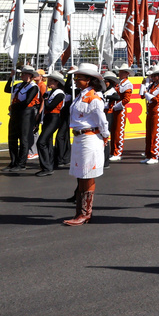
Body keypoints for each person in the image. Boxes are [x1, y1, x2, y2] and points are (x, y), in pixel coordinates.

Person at [64, 63, 109, 226]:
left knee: (87, 175)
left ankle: (85, 213)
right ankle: (80, 212)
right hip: (79, 138)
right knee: (81, 175)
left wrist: (105, 136)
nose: (76, 80)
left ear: (89, 80)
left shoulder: (94, 98)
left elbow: (102, 121)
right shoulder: (80, 95)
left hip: (90, 138)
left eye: (79, 78)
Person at [5, 65, 40, 171]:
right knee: (12, 138)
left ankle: (21, 163)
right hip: (15, 113)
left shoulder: (33, 87)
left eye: (24, 74)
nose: (22, 75)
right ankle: (13, 162)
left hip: (26, 114)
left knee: (24, 138)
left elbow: (27, 101)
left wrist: (14, 106)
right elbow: (7, 89)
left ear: (30, 75)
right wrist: (11, 77)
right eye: (22, 73)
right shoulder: (18, 85)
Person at [36, 72, 69, 176]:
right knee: (47, 142)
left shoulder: (59, 93)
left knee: (41, 142)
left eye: (51, 80)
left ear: (56, 82)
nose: (48, 82)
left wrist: (45, 99)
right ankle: (49, 164)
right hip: (47, 118)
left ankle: (46, 167)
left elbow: (50, 106)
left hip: (54, 118)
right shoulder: (50, 93)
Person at [140, 64, 159, 163]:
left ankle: (154, 156)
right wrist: (143, 85)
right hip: (150, 112)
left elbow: (156, 100)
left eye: (154, 76)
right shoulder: (151, 85)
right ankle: (148, 155)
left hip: (158, 112)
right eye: (151, 76)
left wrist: (147, 93)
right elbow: (142, 96)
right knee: (148, 134)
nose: (152, 77)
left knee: (155, 134)